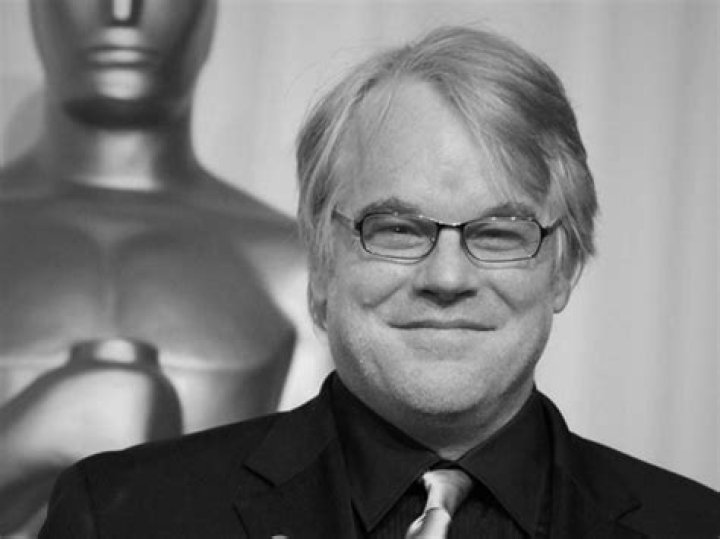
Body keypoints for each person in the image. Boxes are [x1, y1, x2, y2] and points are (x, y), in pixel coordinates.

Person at [39, 25, 719, 538]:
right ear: (321, 262)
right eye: (395, 228)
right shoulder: (126, 516)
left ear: (563, 266)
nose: (446, 277)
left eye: (498, 232)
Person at [0, 0, 327, 534]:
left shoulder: (298, 271)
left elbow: (319, 508)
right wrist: (23, 443)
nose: (122, 11)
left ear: (209, 15)